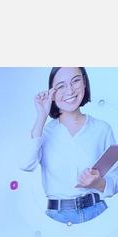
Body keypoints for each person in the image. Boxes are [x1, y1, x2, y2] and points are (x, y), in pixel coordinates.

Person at [22, 67, 117, 225]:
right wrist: (41, 116)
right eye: (61, 86)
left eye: (75, 81)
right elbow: (26, 164)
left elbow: (115, 177)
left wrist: (98, 183)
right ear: (52, 93)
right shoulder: (43, 133)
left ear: (84, 82)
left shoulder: (103, 129)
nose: (70, 90)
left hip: (97, 212)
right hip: (57, 218)